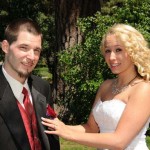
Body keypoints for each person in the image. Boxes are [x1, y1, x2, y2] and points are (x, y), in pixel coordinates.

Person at [41, 24, 150, 150]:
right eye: (108, 51)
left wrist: (68, 134)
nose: (111, 57)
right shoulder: (106, 85)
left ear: (133, 51)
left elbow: (119, 141)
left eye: (118, 50)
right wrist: (60, 126)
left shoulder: (143, 88)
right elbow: (90, 128)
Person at [0, 18, 60, 150]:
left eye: (36, 50)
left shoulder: (42, 87)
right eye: (24, 48)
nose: (32, 57)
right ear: (5, 47)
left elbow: (52, 135)